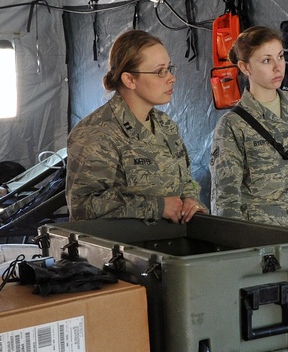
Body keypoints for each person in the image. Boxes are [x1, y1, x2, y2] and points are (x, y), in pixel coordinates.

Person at [66, 30, 205, 222]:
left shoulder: (165, 125)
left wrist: (190, 199)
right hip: (125, 249)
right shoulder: (96, 132)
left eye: (170, 68)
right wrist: (156, 206)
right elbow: (82, 206)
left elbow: (185, 178)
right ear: (129, 80)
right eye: (160, 72)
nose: (171, 78)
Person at [210, 25, 288, 230]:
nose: (278, 67)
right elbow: (226, 196)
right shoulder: (233, 125)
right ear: (245, 68)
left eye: (280, 56)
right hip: (263, 235)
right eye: (266, 60)